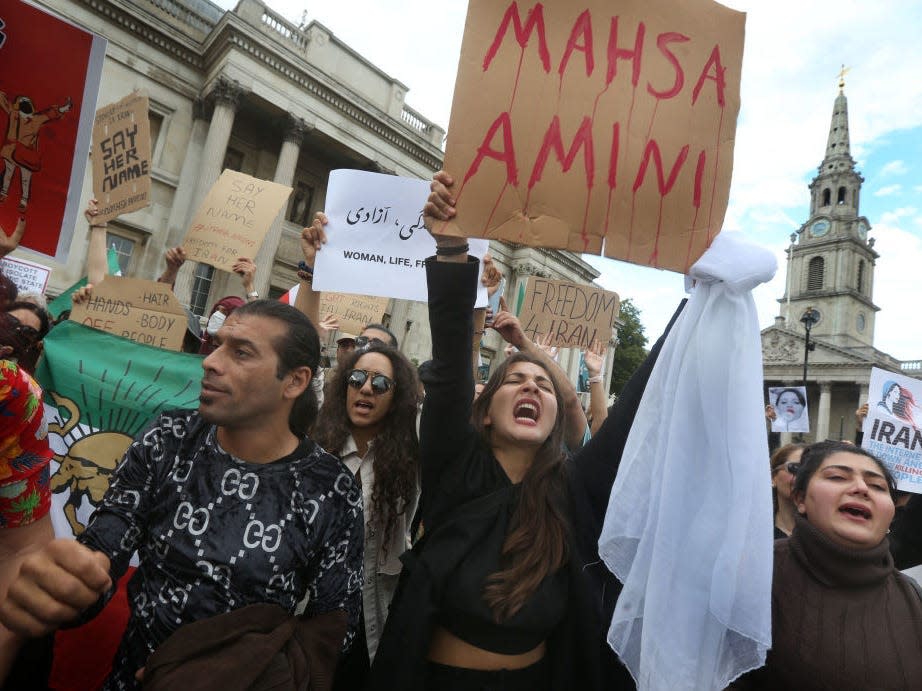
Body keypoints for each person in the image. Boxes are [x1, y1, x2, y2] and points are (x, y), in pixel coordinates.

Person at [368, 170, 663, 691]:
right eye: (517, 380)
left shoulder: (570, 490)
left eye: (544, 385)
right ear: (483, 410)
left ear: (555, 414)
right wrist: (454, 251)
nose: (532, 388)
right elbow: (454, 356)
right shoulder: (453, 464)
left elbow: (634, 414)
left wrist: (699, 306)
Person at [0, 300, 364, 690]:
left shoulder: (332, 489)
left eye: (240, 352)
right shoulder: (168, 438)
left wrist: (240, 675)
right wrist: (71, 585)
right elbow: (109, 540)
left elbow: (333, 628)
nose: (210, 362)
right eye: (218, 345)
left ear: (294, 381)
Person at [732, 440, 922, 689]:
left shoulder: (912, 595)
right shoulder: (751, 577)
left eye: (877, 485)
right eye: (836, 477)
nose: (861, 488)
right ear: (800, 499)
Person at [313, 343, 420, 689]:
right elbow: (301, 368)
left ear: (398, 397)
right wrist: (310, 287)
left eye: (381, 384)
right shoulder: (313, 445)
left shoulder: (411, 458)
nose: (366, 388)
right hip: (306, 613)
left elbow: (451, 408)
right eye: (357, 378)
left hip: (370, 618)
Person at [768, 443, 806, 538]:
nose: (802, 477)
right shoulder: (755, 529)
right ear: (773, 477)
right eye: (794, 467)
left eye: (809, 470)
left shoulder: (826, 531)